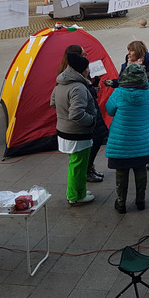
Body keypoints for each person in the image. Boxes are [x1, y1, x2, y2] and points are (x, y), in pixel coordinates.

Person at [105, 63, 149, 213]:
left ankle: (121, 203)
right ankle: (140, 201)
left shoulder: (118, 93)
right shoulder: (148, 94)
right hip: (142, 141)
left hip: (121, 142)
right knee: (140, 171)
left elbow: (110, 110)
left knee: (121, 171)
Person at [51, 51, 99, 205]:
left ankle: (80, 191)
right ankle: (75, 196)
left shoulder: (61, 82)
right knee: (78, 166)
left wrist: (63, 111)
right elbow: (77, 114)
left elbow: (53, 103)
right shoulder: (78, 87)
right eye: (87, 68)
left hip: (65, 130)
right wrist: (91, 121)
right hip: (77, 133)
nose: (89, 71)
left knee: (77, 163)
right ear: (81, 71)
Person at [108, 41, 149, 168]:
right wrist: (113, 83)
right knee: (137, 132)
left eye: (130, 51)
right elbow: (122, 82)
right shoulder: (124, 66)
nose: (128, 54)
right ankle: (139, 158)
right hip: (130, 107)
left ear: (137, 51)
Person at [58, 45, 108, 183]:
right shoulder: (71, 78)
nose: (87, 55)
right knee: (85, 152)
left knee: (98, 138)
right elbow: (77, 102)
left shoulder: (73, 73)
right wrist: (90, 120)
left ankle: (88, 169)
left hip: (89, 110)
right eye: (83, 54)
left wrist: (93, 87)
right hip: (83, 120)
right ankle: (83, 176)